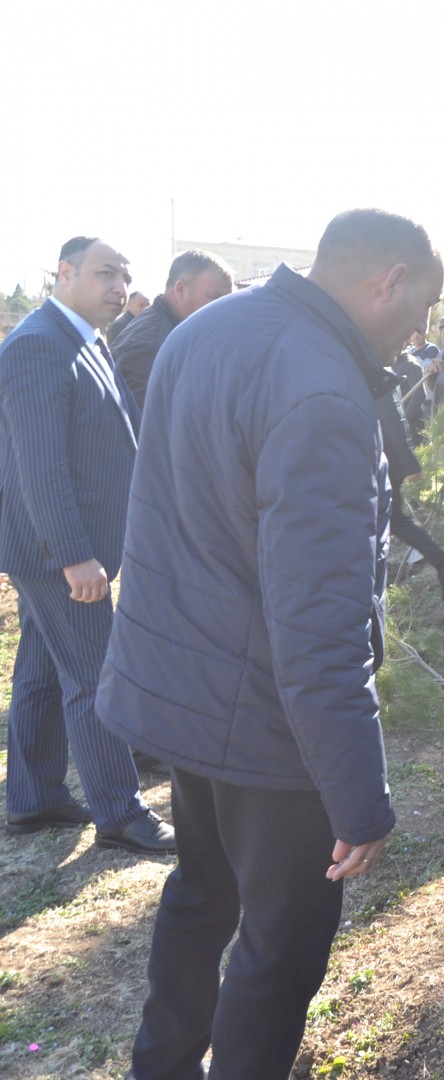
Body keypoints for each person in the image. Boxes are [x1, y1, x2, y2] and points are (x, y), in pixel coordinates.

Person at [98, 209, 442, 1079]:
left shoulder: (209, 326)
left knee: (201, 893)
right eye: (419, 313)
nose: (417, 338)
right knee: (280, 944)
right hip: (261, 719)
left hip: (181, 683)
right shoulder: (324, 390)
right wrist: (360, 799)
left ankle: (161, 1066)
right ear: (387, 281)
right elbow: (319, 625)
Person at [0, 236, 174, 854]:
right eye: (105, 273)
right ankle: (120, 812)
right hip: (58, 554)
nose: (118, 286)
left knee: (43, 673)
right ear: (64, 272)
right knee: (94, 674)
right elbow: (38, 467)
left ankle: (32, 797)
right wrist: (75, 555)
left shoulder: (86, 339)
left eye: (125, 276)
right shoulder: (37, 345)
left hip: (68, 548)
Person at [111, 250, 234, 409]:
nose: (225, 308)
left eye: (228, 300)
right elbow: (147, 425)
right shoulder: (149, 346)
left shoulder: (175, 330)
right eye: (215, 298)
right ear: (180, 289)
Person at [378, 371, 444, 602]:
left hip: (384, 460)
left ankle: (443, 561)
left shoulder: (377, 375)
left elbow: (394, 419)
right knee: (393, 520)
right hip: (377, 459)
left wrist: (408, 462)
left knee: (389, 520)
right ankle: (443, 561)